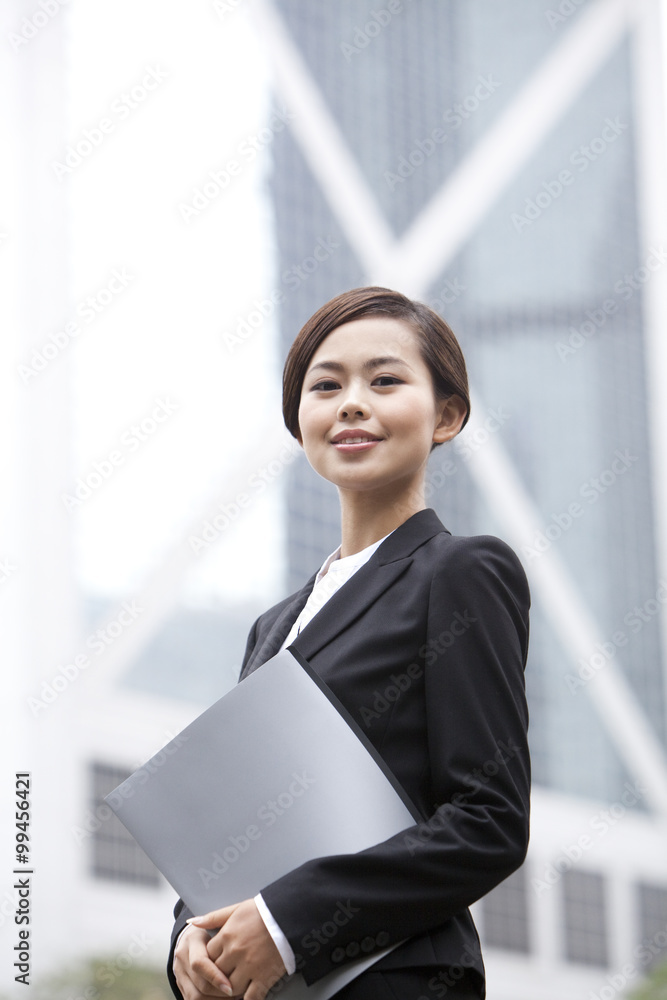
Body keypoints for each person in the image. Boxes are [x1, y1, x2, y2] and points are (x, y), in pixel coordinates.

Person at [167, 286, 531, 1000]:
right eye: (325, 385)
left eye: (385, 380)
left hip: (398, 979)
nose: (351, 402)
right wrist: (191, 934)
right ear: (300, 421)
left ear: (446, 415)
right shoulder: (271, 627)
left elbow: (488, 821)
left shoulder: (460, 572)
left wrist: (285, 922)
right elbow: (239, 822)